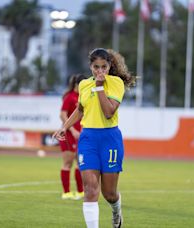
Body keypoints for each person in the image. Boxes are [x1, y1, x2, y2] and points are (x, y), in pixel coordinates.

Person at [53, 48, 135, 228]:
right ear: (90, 66)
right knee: (90, 189)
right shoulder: (83, 85)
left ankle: (116, 211)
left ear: (109, 66)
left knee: (109, 193)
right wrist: (64, 127)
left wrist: (99, 86)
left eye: (104, 67)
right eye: (96, 67)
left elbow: (108, 112)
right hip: (88, 138)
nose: (100, 71)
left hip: (109, 139)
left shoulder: (116, 83)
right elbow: (81, 109)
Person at [59, 74, 87, 200]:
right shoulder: (69, 97)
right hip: (69, 135)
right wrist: (72, 129)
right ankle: (66, 192)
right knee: (67, 163)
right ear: (77, 84)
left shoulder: (83, 97)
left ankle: (80, 191)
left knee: (80, 164)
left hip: (80, 134)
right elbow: (62, 115)